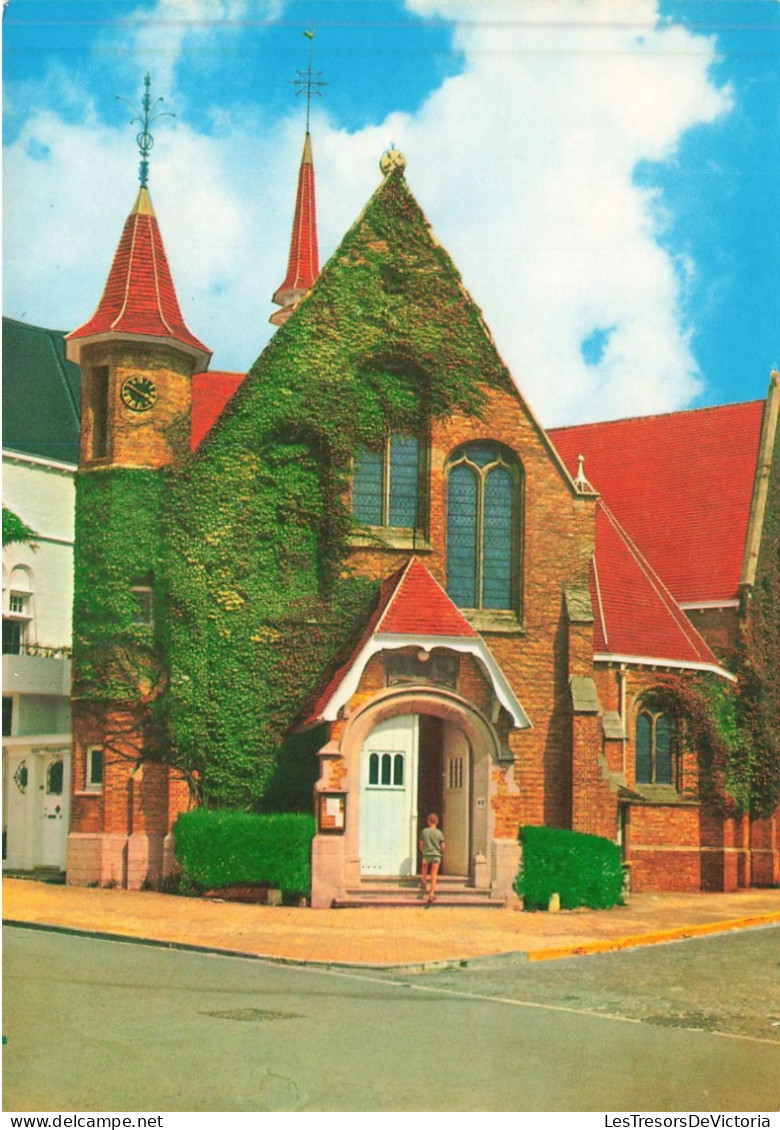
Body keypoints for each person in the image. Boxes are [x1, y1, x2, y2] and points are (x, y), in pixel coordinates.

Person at [419, 813, 445, 904]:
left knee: (424, 867)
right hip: (436, 855)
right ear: (437, 822)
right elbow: (443, 846)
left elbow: (421, 844)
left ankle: (424, 881)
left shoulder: (424, 831)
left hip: (426, 854)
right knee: (434, 875)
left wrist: (424, 851)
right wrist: (440, 851)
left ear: (428, 821)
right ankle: (431, 895)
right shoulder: (439, 833)